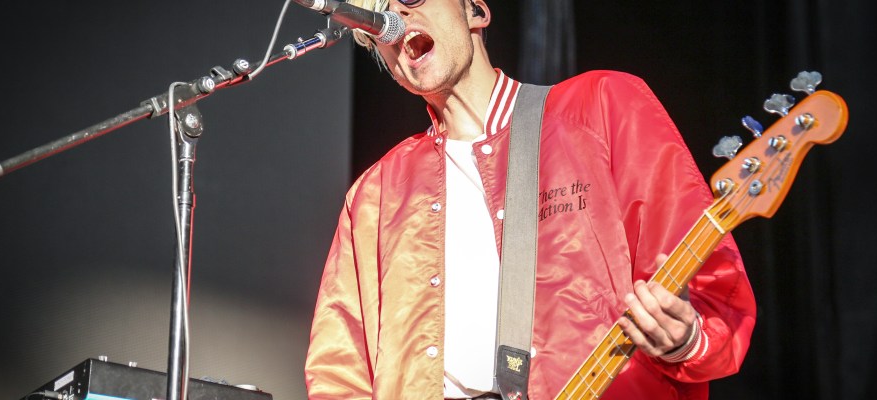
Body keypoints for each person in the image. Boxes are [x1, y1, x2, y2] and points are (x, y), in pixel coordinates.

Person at [304, 0, 757, 398]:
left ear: (475, 10)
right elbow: (339, 373)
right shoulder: (376, 192)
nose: (395, 17)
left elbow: (713, 291)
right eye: (376, 19)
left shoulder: (602, 107)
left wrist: (686, 340)